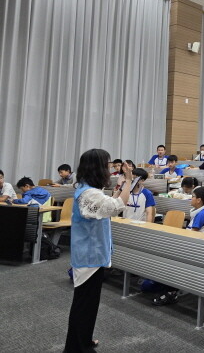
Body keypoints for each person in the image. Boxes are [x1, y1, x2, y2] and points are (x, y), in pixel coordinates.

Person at [64, 149, 134, 352]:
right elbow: (118, 205)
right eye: (107, 164)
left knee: (87, 304)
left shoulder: (88, 189)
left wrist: (121, 186)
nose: (109, 168)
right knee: (84, 305)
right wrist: (129, 181)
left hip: (91, 254)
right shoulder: (89, 193)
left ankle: (82, 340)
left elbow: (109, 204)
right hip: (89, 256)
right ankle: (77, 347)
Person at [152, 185, 204, 308]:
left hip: (200, 249)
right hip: (195, 245)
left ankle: (171, 291)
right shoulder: (198, 211)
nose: (191, 198)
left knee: (171, 260)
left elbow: (192, 235)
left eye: (193, 197)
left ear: (199, 200)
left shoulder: (202, 214)